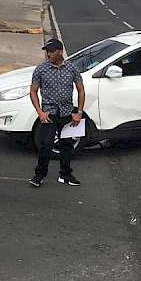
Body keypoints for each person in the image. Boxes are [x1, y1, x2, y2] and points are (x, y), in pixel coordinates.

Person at [28, 38, 85, 188]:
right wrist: (40, 112)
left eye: (51, 51)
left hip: (67, 113)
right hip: (49, 114)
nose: (48, 54)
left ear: (60, 51)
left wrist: (79, 112)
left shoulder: (72, 69)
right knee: (46, 145)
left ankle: (65, 174)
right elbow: (33, 91)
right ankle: (39, 175)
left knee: (67, 145)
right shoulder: (41, 69)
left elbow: (81, 89)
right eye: (47, 51)